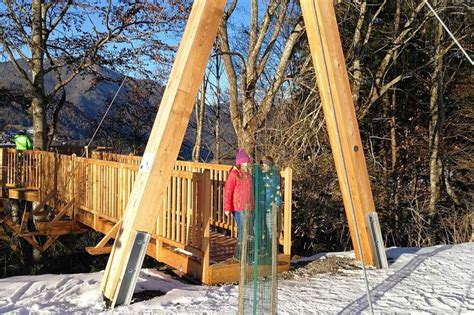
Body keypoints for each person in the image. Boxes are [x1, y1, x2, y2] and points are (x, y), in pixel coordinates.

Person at [224, 148, 254, 260]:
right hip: (239, 207)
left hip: (249, 207)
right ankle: (239, 254)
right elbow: (228, 191)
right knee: (243, 231)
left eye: (247, 162)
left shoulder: (248, 175)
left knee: (249, 231)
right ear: (239, 163)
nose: (246, 164)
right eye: (244, 162)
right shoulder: (234, 174)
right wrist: (227, 208)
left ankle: (246, 253)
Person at [258, 156, 281, 254]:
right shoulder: (258, 175)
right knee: (259, 227)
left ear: (270, 166)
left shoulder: (274, 176)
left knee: (270, 227)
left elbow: (277, 190)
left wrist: (277, 203)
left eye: (266, 165)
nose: (264, 166)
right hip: (259, 206)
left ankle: (271, 248)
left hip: (270, 207)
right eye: (262, 164)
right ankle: (261, 246)